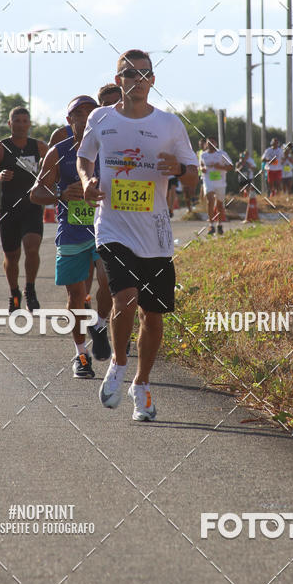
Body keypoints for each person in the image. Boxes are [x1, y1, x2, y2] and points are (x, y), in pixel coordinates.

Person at [77, 49, 198, 421]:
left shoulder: (169, 125)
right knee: (124, 299)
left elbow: (193, 179)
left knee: (154, 315)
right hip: (113, 227)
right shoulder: (101, 118)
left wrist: (177, 168)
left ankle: (141, 385)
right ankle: (117, 362)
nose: (138, 80)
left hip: (156, 235)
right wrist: (86, 182)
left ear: (153, 81)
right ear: (119, 81)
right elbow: (85, 157)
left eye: (144, 74)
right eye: (130, 74)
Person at [30, 95, 112, 378]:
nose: (86, 116)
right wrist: (60, 194)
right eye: (80, 113)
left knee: (109, 281)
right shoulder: (58, 152)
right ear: (69, 120)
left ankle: (100, 325)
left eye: (92, 112)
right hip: (72, 231)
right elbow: (35, 193)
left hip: (107, 229)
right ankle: (81, 355)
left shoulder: (111, 147)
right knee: (76, 295)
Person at [0, 107, 47, 313]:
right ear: (10, 124)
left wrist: (50, 182)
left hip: (32, 206)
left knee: (32, 247)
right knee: (11, 256)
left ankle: (30, 289)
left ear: (29, 124)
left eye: (24, 121)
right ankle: (14, 292)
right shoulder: (1, 148)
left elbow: (56, 168)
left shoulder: (39, 147)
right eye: (16, 121)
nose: (20, 124)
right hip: (9, 208)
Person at [200, 137, 233, 235]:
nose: (210, 144)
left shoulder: (222, 154)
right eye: (208, 142)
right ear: (206, 144)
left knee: (219, 205)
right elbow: (200, 165)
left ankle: (220, 224)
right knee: (210, 200)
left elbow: (231, 166)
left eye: (212, 142)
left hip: (220, 182)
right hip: (208, 180)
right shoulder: (203, 155)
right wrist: (202, 168)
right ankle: (211, 225)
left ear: (216, 144)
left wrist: (221, 167)